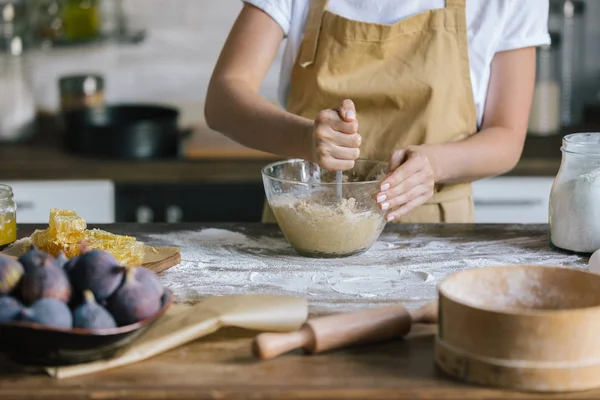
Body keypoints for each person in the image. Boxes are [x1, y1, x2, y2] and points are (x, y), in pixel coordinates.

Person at [204, 0, 550, 223]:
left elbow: (507, 137)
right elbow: (223, 100)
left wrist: (435, 164)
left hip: (435, 232)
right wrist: (305, 138)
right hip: (305, 223)